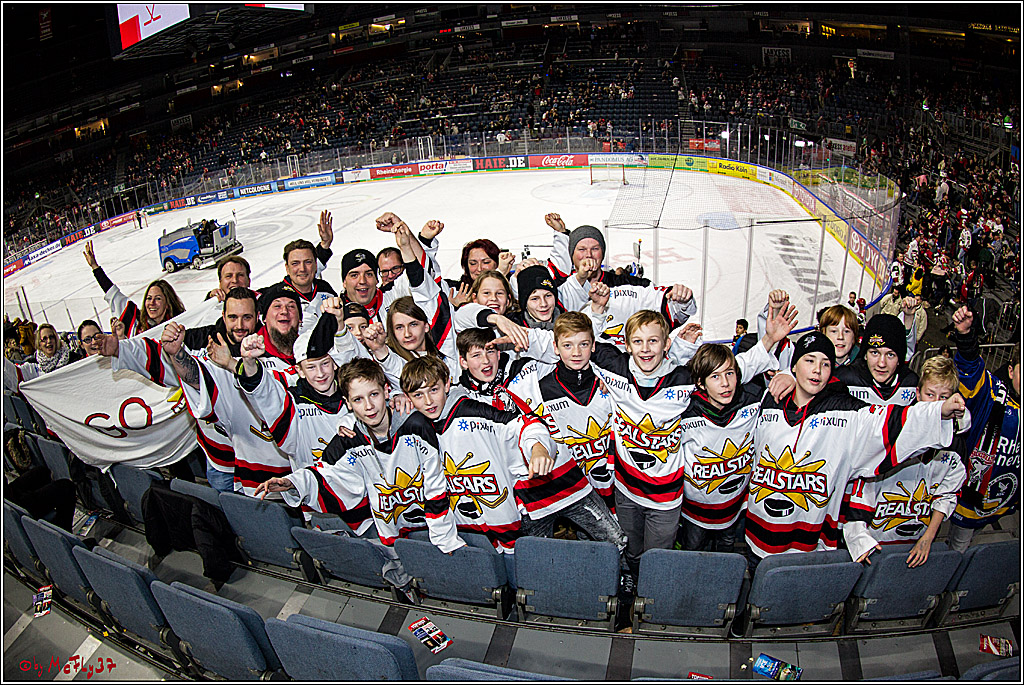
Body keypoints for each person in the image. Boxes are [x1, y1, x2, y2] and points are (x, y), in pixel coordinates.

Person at [585, 286, 798, 575]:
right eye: (638, 341)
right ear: (627, 345)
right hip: (625, 489)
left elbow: (732, 370)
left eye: (653, 341)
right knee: (631, 551)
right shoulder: (613, 368)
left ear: (666, 345)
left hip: (666, 498)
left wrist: (772, 345)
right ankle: (635, 583)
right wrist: (598, 309)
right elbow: (584, 344)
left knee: (658, 559)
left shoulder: (685, 380)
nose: (645, 348)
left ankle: (655, 590)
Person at [255, 358, 466, 600]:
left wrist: (444, 538)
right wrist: (292, 483)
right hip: (392, 530)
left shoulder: (416, 424)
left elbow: (436, 485)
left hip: (432, 527)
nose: (368, 406)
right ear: (347, 403)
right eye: (357, 399)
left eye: (374, 394)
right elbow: (327, 472)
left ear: (386, 391)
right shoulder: (349, 437)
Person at [745, 332, 966, 562]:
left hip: (810, 546)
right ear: (794, 366)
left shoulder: (847, 412)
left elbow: (890, 422)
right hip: (757, 538)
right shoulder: (769, 401)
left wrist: (938, 411)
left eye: (825, 364)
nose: (817, 370)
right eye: (809, 360)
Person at [98, 287, 262, 493]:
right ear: (223, 315)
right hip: (222, 463)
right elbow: (159, 358)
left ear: (257, 316)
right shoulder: (199, 340)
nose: (239, 325)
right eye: (233, 317)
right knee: (230, 509)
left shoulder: (268, 344)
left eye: (247, 317)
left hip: (263, 463)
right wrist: (120, 349)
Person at [401, 355, 556, 553]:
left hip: (510, 526)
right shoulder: (416, 428)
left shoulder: (471, 410)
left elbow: (524, 424)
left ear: (447, 384)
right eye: (418, 395)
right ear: (408, 397)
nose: (428, 401)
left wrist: (538, 446)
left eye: (434, 390)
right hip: (466, 533)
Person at [841, 356, 968, 566]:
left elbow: (947, 493)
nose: (936, 403)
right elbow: (864, 489)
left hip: (917, 541)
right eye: (930, 394)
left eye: (943, 397)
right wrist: (860, 539)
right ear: (917, 393)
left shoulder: (955, 444)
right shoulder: (896, 433)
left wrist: (928, 538)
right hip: (876, 541)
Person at [237, 297, 364, 471]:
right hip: (314, 487)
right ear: (299, 371)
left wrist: (340, 324)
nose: (320, 373)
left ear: (335, 363)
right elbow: (264, 393)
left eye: (325, 364)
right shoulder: (292, 404)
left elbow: (362, 365)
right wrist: (249, 362)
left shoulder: (355, 395)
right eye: (311, 367)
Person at [945, 307, 1020, 552]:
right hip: (972, 495)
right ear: (1011, 370)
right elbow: (970, 367)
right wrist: (966, 336)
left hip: (1006, 499)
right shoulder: (993, 392)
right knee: (958, 549)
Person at [84, 240, 185, 337]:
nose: (152, 303)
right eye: (149, 298)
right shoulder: (134, 321)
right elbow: (113, 294)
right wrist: (95, 267)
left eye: (158, 298)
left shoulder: (180, 325)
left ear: (167, 303)